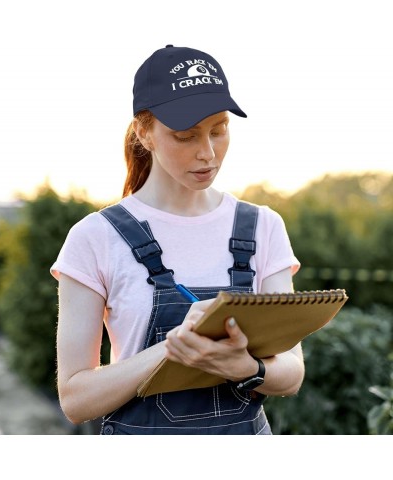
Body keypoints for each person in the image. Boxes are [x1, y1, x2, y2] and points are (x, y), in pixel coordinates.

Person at [51, 45, 304, 435]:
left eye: (219, 129)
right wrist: (177, 348)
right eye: (185, 136)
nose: (208, 153)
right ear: (144, 132)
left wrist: (246, 368)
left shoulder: (262, 227)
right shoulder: (95, 237)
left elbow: (291, 372)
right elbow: (76, 399)